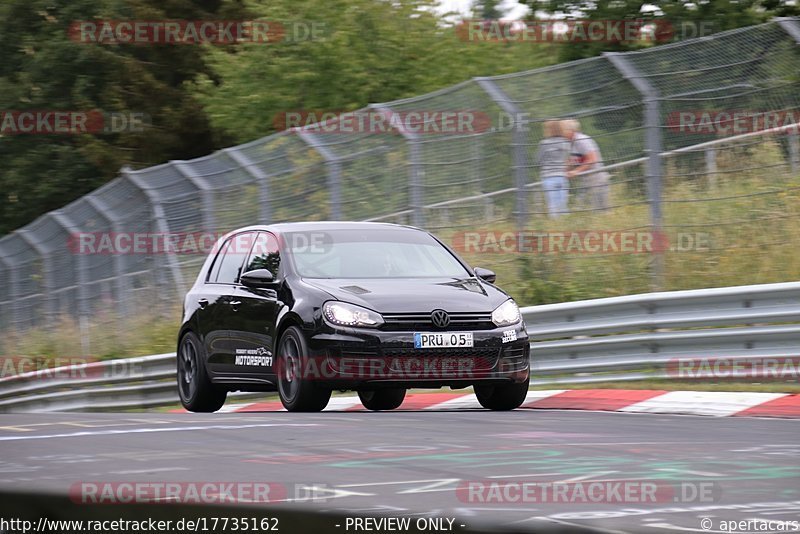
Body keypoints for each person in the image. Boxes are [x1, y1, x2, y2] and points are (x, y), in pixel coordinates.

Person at [563, 119, 611, 212]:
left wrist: (576, 171)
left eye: (563, 130)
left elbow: (592, 159)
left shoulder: (581, 140)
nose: (561, 134)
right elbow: (572, 161)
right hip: (585, 181)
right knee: (581, 210)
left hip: (596, 180)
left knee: (601, 211)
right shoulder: (570, 144)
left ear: (570, 131)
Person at [536, 119, 571, 218]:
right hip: (562, 176)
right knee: (563, 206)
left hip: (549, 177)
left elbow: (538, 160)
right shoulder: (566, 142)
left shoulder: (544, 143)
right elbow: (567, 158)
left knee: (553, 207)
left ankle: (557, 229)